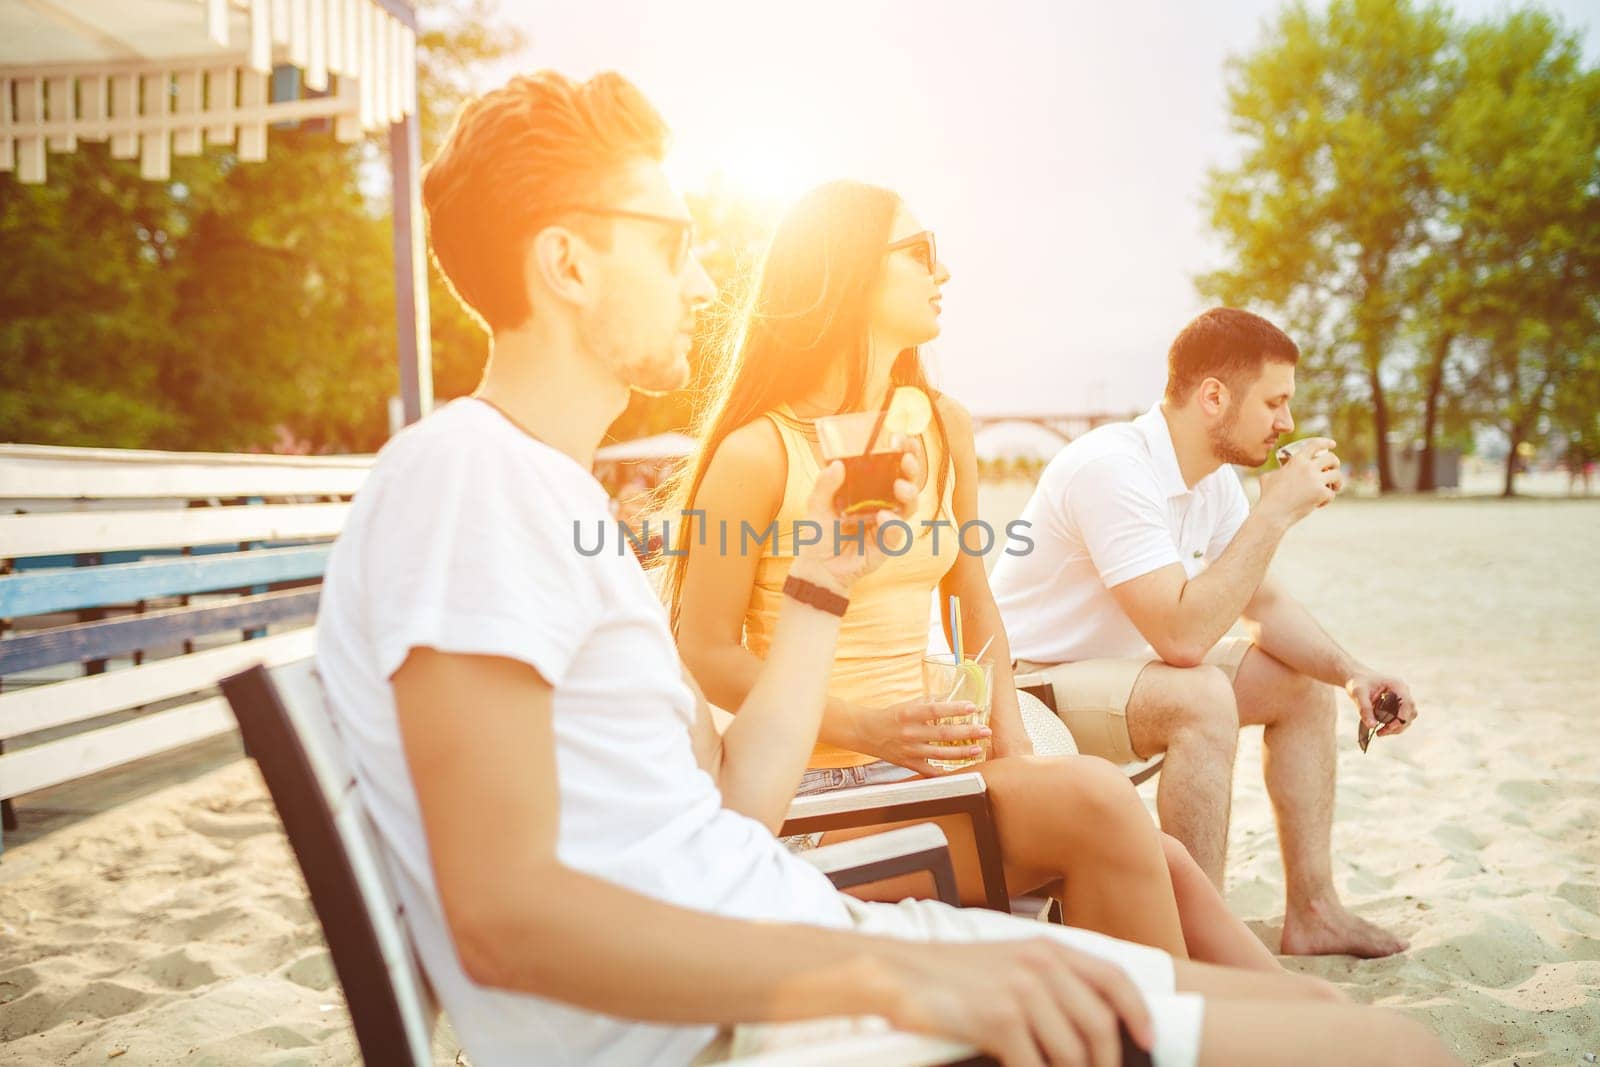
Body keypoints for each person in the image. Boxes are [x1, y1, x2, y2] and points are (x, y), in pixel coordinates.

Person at [312, 69, 1459, 1066]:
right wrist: (891, 976)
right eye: (671, 244)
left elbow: (729, 805)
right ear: (565, 261)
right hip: (768, 1009)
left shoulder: (534, 487)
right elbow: (503, 919)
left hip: (801, 948)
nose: (706, 282)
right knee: (1379, 1046)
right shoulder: (465, 483)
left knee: (1317, 1018)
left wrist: (819, 584)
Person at [663, 180, 1276, 973]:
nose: (942, 272)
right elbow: (705, 649)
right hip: (818, 792)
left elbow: (974, 597)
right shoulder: (758, 453)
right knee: (1101, 803)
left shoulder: (941, 423)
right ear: (848, 271)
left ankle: (1295, 1028)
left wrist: (1013, 745)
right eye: (918, 253)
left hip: (930, 769)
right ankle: (1198, 1028)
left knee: (1170, 867)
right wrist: (867, 727)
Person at [989, 307, 1421, 959]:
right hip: (1026, 690)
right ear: (1213, 397)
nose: (1288, 423)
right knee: (1200, 694)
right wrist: (1274, 511)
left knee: (1300, 687)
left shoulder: (1213, 481)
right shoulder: (1112, 467)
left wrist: (1353, 671)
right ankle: (1198, 939)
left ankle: (1315, 911)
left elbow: (1263, 603)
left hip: (1117, 678)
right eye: (1275, 401)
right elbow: (1183, 639)